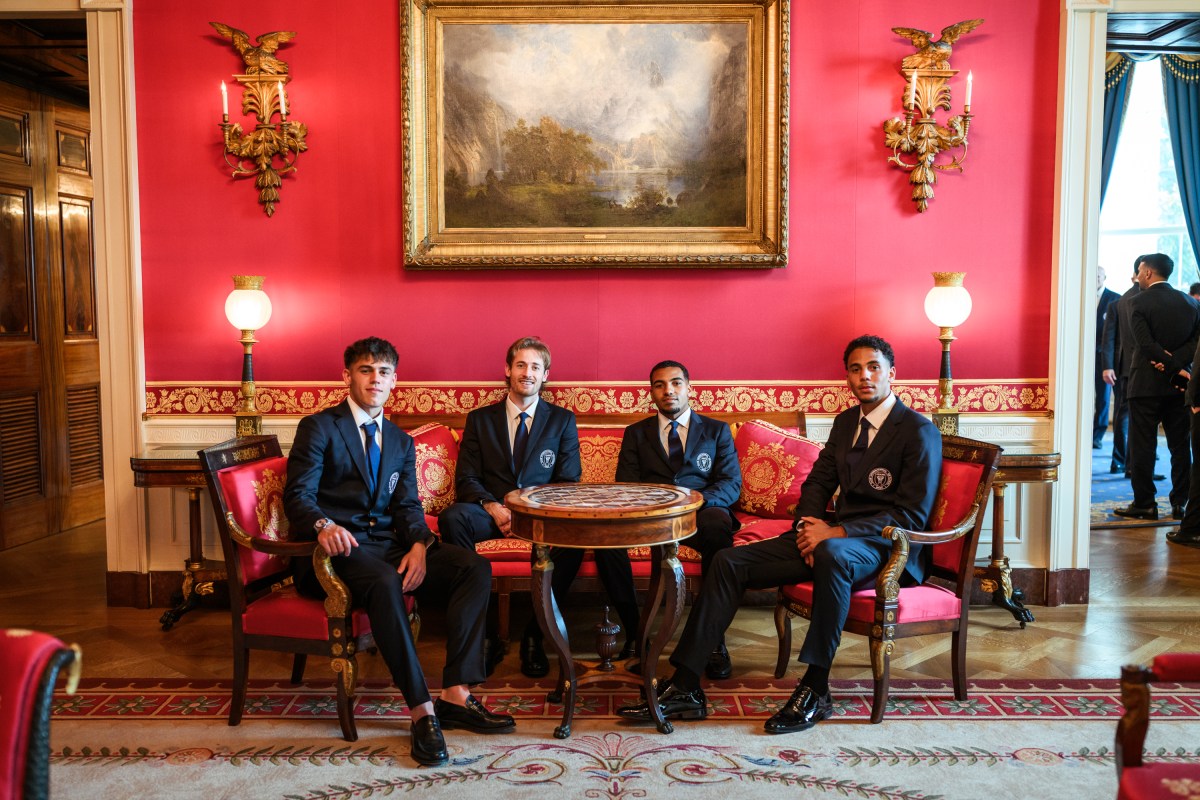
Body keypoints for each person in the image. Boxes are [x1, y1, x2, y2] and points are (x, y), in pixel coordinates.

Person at [618, 335, 940, 734]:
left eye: (873, 367)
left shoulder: (918, 431)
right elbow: (818, 484)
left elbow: (911, 513)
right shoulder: (845, 423)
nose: (864, 376)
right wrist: (808, 526)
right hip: (828, 537)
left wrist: (835, 531)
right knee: (727, 561)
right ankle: (686, 685)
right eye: (855, 369)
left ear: (892, 373)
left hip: (885, 547)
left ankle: (816, 688)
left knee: (832, 556)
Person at [284, 337, 514, 768]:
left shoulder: (399, 441)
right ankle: (420, 711)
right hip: (335, 553)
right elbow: (297, 496)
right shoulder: (319, 427)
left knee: (473, 568)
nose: (376, 378)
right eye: (366, 370)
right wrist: (323, 525)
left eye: (384, 371)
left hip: (388, 546)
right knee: (386, 580)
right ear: (347, 376)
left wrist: (418, 544)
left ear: (395, 380)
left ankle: (455, 694)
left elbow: (408, 506)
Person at [438, 336, 638, 677]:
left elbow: (567, 481)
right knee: (453, 518)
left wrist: (528, 514)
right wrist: (493, 506)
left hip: (540, 517)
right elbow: (467, 478)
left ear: (545, 374)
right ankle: (484, 636)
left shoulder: (561, 420)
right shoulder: (480, 419)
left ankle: (533, 633)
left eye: (535, 367)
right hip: (493, 513)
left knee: (570, 545)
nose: (527, 373)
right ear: (507, 370)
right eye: (520, 365)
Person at [612, 360, 743, 678]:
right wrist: (659, 508)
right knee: (608, 542)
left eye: (675, 383)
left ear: (689, 387)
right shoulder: (636, 434)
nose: (668, 390)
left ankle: (712, 639)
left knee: (718, 526)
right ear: (652, 392)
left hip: (700, 515)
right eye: (659, 384)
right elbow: (627, 486)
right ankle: (635, 634)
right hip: (650, 518)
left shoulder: (716, 430)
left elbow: (730, 484)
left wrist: (693, 503)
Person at [1114, 253, 1200, 522]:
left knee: (1143, 446)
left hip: (1144, 386)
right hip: (1179, 386)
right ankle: (1180, 503)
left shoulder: (1137, 302)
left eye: (1140, 270)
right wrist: (1176, 363)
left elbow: (1144, 344)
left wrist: (1164, 361)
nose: (1137, 275)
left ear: (1148, 273)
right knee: (1179, 446)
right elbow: (1196, 342)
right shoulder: (1190, 302)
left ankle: (1145, 504)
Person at [1101, 258, 1143, 476]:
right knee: (1123, 415)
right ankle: (1119, 460)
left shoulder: (1125, 299)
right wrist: (1107, 366)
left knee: (1128, 416)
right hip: (1122, 368)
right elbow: (1108, 339)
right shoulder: (1119, 302)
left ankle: (1128, 463)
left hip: (1133, 367)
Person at [1094, 267, 1121, 449]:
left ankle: (1097, 434)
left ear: (1105, 277)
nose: (1095, 279)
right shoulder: (1078, 294)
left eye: (1098, 276)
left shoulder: (1115, 298)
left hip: (1104, 356)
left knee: (1103, 398)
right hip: (1083, 357)